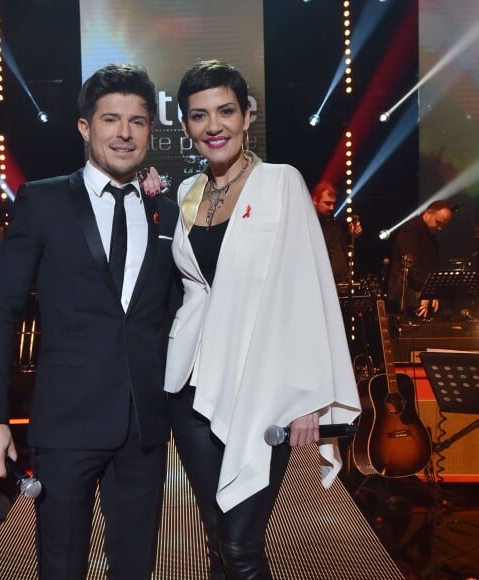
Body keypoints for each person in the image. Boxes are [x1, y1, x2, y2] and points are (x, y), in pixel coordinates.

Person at [0, 64, 179, 580]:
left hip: (142, 426)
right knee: (61, 565)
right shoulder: (43, 201)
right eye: (111, 119)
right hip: (67, 423)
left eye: (137, 121)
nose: (124, 133)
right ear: (86, 128)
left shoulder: (166, 213)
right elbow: (1, 312)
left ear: (151, 129)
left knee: (135, 567)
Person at [164, 60, 360, 579]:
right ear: (185, 126)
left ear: (247, 116)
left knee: (241, 541)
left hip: (262, 387)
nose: (214, 126)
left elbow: (307, 287)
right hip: (189, 390)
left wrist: (310, 395)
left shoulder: (280, 183)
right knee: (215, 531)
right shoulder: (184, 194)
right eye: (199, 116)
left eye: (226, 111)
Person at [387, 200, 453, 318]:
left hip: (420, 291)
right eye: (438, 222)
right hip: (408, 294)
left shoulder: (427, 234)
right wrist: (426, 293)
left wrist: (432, 292)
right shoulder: (410, 231)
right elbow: (413, 266)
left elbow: (431, 266)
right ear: (428, 213)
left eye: (443, 225)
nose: (440, 228)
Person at [311, 181, 362, 287]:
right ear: (315, 200)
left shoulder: (332, 222)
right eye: (327, 203)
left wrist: (352, 235)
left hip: (341, 282)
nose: (332, 208)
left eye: (333, 203)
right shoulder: (309, 223)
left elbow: (339, 247)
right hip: (322, 283)